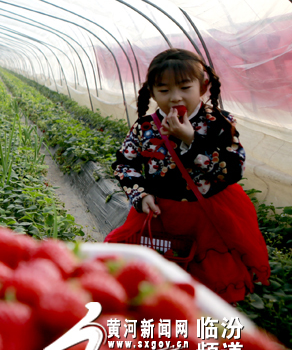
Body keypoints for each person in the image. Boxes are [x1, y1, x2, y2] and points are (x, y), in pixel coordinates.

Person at [105, 48, 270, 303]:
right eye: (164, 90)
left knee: (208, 280)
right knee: (157, 277)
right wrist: (140, 194)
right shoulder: (144, 127)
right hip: (161, 212)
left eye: (184, 87)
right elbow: (125, 163)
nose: (175, 97)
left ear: (202, 87)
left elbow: (234, 168)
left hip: (210, 214)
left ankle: (201, 321)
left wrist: (190, 139)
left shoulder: (219, 123)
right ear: (151, 92)